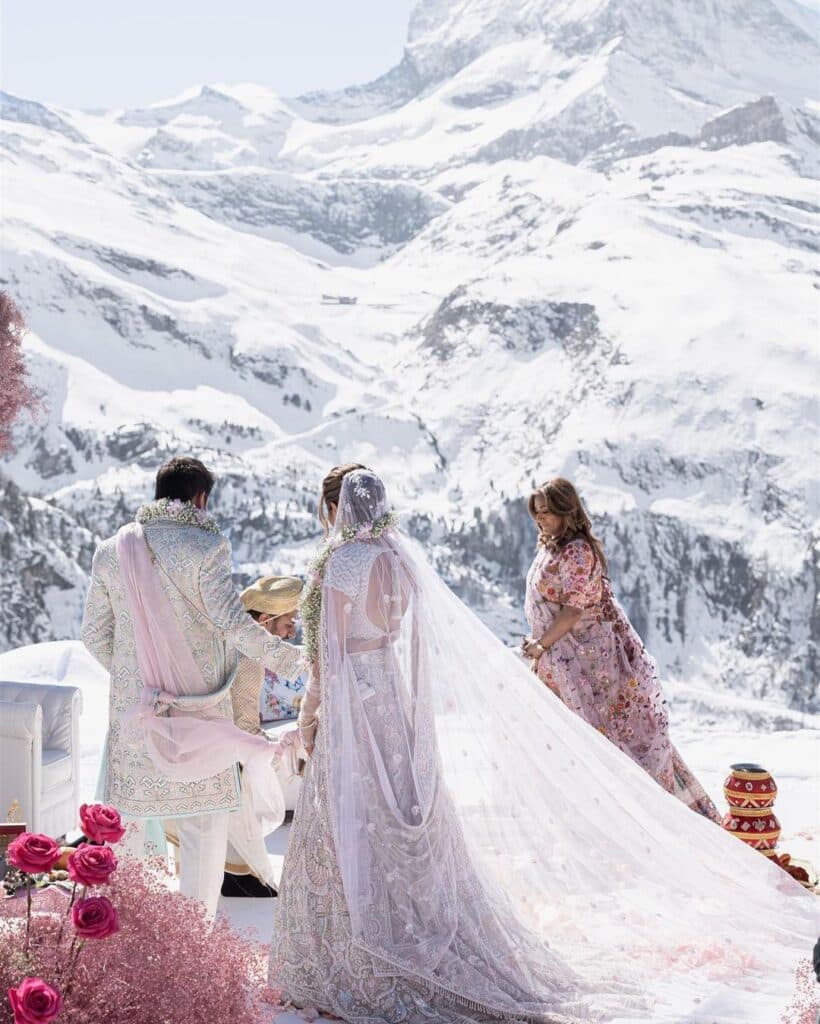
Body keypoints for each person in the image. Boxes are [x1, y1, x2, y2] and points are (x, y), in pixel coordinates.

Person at [269, 468, 813, 1024]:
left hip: (353, 700)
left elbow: (328, 654)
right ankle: (410, 917)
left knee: (351, 812)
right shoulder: (400, 561)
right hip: (391, 694)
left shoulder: (343, 563)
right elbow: (397, 634)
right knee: (397, 809)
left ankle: (352, 939)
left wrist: (309, 717)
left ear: (340, 508)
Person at [81, 456, 303, 918]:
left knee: (131, 836)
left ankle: (129, 941)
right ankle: (196, 941)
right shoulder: (206, 547)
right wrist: (297, 662)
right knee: (203, 830)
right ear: (201, 499)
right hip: (200, 719)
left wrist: (138, 682)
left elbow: (94, 636)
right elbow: (233, 625)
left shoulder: (111, 550)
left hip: (136, 719)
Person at [522, 478, 719, 820]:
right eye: (537, 513)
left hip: (589, 661)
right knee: (570, 737)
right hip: (560, 655)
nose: (541, 519)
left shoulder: (578, 551)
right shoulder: (552, 546)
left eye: (548, 512)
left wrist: (541, 644)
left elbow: (574, 609)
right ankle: (581, 814)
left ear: (566, 511)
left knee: (610, 735)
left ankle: (646, 816)